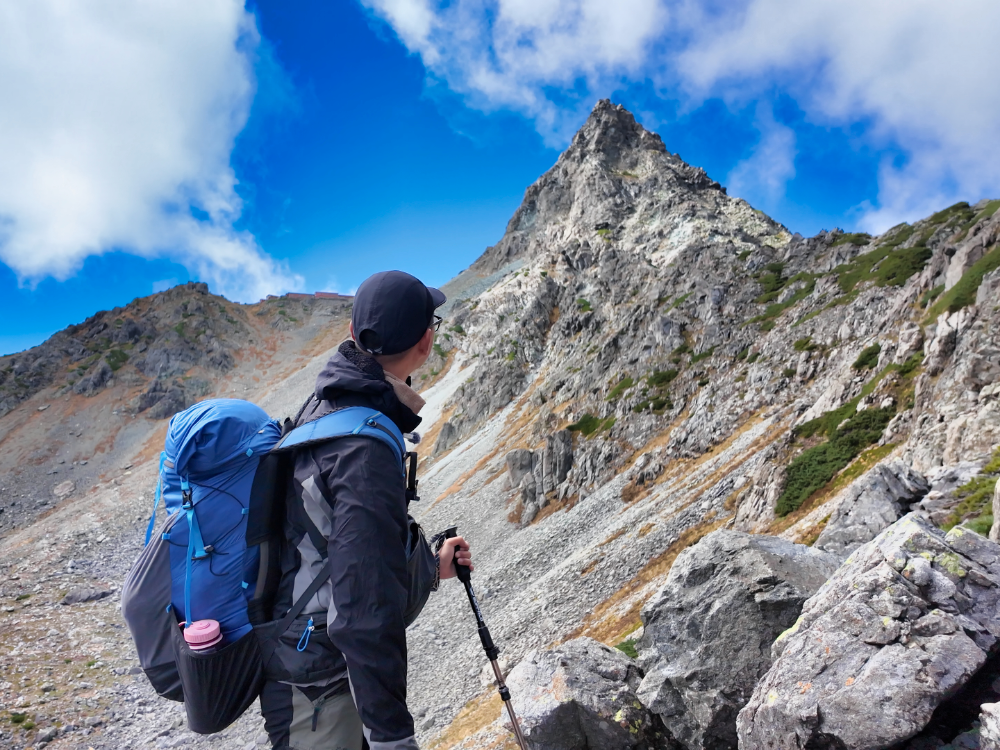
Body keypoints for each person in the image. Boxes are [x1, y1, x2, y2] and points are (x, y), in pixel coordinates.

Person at [260, 270, 472, 750]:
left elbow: (339, 548)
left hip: (303, 667)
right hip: (323, 688)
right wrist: (393, 739)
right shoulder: (364, 449)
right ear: (426, 340)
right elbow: (363, 609)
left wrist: (431, 569)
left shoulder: (327, 402)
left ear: (354, 335)